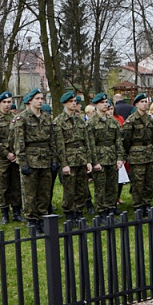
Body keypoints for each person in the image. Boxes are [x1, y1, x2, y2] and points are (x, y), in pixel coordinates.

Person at [14, 88, 55, 226]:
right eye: (37, 99)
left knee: (44, 190)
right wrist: (22, 162)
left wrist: (54, 159)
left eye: (41, 98)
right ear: (30, 100)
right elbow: (19, 142)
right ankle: (31, 218)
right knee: (30, 191)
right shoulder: (23, 118)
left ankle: (42, 216)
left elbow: (52, 140)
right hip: (31, 158)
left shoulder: (47, 116)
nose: (40, 101)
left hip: (45, 158)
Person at [54, 90, 95, 222]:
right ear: (64, 103)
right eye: (71, 101)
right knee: (69, 190)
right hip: (69, 159)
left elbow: (86, 141)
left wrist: (88, 161)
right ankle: (69, 213)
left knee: (82, 188)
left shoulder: (80, 120)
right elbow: (59, 145)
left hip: (81, 158)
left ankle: (79, 212)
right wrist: (64, 164)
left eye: (75, 101)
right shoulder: (59, 121)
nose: (74, 103)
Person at [0, 91, 23, 223]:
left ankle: (16, 212)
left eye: (9, 102)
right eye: (5, 102)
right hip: (2, 158)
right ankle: (4, 213)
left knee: (16, 184)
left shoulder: (15, 118)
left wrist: (16, 153)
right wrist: (6, 154)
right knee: (3, 186)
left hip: (15, 156)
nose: (7, 105)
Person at [89, 92, 124, 217]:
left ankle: (111, 206)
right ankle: (102, 209)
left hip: (112, 156)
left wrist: (120, 157)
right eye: (102, 103)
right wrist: (95, 162)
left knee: (113, 184)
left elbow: (118, 141)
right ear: (96, 105)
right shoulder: (91, 123)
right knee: (100, 186)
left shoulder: (113, 121)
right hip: (99, 157)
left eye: (106, 103)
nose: (105, 105)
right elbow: (91, 144)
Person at [120, 93, 153, 209]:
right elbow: (126, 139)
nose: (144, 104)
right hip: (136, 155)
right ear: (136, 104)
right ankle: (138, 205)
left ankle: (147, 203)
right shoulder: (131, 120)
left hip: (149, 154)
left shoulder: (150, 119)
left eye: (146, 102)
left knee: (149, 181)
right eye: (142, 102)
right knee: (138, 182)